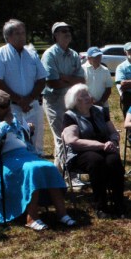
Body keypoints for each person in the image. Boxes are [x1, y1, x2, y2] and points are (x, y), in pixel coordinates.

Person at [0, 89, 76, 231]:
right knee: (33, 170)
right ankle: (31, 217)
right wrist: (6, 123)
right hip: (3, 159)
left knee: (49, 167)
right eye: (3, 106)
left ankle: (62, 213)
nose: (8, 107)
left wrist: (28, 129)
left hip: (25, 154)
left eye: (8, 104)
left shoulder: (12, 116)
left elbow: (20, 135)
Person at [62, 84, 126, 218]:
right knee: (96, 161)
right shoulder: (70, 116)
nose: (89, 97)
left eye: (88, 94)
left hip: (104, 148)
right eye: (83, 95)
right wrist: (100, 145)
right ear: (75, 100)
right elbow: (72, 141)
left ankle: (119, 202)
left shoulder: (101, 111)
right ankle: (101, 206)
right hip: (81, 153)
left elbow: (113, 133)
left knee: (114, 160)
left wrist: (113, 141)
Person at [0, 19, 47, 156]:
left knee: (36, 144)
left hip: (32, 105)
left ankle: (37, 171)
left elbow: (42, 79)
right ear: (8, 37)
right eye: (17, 33)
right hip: (10, 108)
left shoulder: (31, 54)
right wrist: (19, 100)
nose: (22, 36)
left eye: (23, 33)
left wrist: (30, 98)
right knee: (15, 144)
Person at [41, 22, 85, 173]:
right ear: (55, 35)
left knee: (69, 135)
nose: (67, 33)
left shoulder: (74, 54)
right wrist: (71, 79)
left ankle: (58, 173)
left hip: (72, 101)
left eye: (69, 31)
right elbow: (51, 81)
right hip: (55, 101)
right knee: (62, 137)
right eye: (63, 31)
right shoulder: (50, 54)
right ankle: (70, 173)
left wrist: (64, 77)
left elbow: (81, 80)